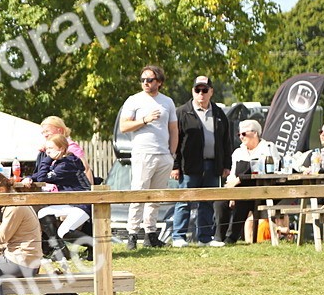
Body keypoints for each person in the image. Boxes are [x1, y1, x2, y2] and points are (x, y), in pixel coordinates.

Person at [118, 65, 178, 248]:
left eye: (149, 80)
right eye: (143, 79)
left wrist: (172, 153)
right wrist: (145, 120)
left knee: (156, 196)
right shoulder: (134, 100)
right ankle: (132, 234)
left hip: (163, 155)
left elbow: (174, 129)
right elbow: (123, 127)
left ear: (159, 82)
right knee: (139, 193)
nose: (145, 82)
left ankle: (151, 235)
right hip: (143, 153)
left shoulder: (167, 102)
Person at [171, 75, 233, 246]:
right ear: (193, 91)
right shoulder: (182, 112)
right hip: (189, 166)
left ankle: (205, 238)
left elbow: (226, 142)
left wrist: (226, 165)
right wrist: (175, 166)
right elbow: (175, 142)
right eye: (197, 90)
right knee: (184, 200)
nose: (201, 94)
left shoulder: (219, 113)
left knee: (207, 202)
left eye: (205, 90)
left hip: (213, 165)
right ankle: (178, 236)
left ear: (211, 92)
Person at [26, 134, 91, 262]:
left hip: (84, 203)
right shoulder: (62, 162)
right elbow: (40, 175)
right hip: (73, 203)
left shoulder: (66, 164)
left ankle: (95, 246)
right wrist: (29, 178)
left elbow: (43, 177)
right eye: (46, 149)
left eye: (50, 148)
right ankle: (60, 250)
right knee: (43, 212)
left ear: (61, 149)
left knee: (64, 232)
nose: (47, 151)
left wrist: (47, 159)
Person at [221, 120, 281, 244]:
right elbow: (232, 175)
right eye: (239, 135)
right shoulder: (238, 152)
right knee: (220, 203)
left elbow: (269, 169)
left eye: (243, 134)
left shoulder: (268, 148)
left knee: (242, 201)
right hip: (241, 191)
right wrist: (231, 193)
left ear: (255, 133)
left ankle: (231, 237)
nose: (241, 137)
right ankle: (218, 237)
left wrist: (239, 180)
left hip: (264, 191)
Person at [40, 116, 94, 184]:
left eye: (47, 131)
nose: (45, 135)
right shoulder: (46, 149)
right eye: (43, 132)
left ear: (60, 130)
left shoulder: (70, 147)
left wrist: (88, 192)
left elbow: (86, 169)